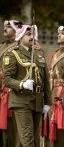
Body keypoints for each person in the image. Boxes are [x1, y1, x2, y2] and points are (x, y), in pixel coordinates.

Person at [2, 25, 51, 147]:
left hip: (38, 100)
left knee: (34, 139)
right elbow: (7, 80)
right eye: (28, 35)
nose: (32, 37)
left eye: (33, 35)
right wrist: (22, 84)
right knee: (27, 139)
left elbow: (46, 79)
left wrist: (47, 102)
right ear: (20, 36)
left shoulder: (39, 52)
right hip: (21, 100)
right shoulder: (12, 53)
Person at [0, 19, 23, 147]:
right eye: (4, 26)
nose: (5, 28)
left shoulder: (21, 47)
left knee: (12, 129)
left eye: (8, 26)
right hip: (1, 90)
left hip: (12, 91)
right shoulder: (2, 46)